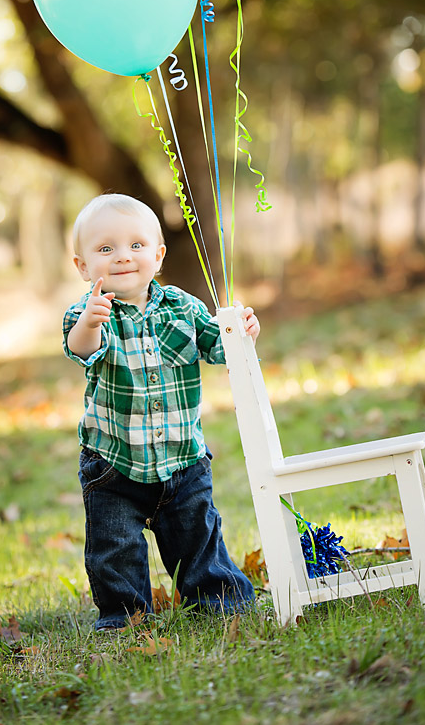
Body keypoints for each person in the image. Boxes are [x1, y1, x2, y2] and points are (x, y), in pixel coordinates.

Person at [62, 193, 260, 631]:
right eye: (105, 249)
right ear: (82, 266)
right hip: (114, 466)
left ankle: (219, 602)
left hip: (182, 459)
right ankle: (124, 615)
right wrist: (89, 324)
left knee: (197, 537)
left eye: (136, 245)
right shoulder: (90, 313)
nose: (123, 257)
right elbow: (81, 349)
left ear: (158, 254)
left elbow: (218, 346)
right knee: (115, 548)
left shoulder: (183, 307)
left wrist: (241, 332)